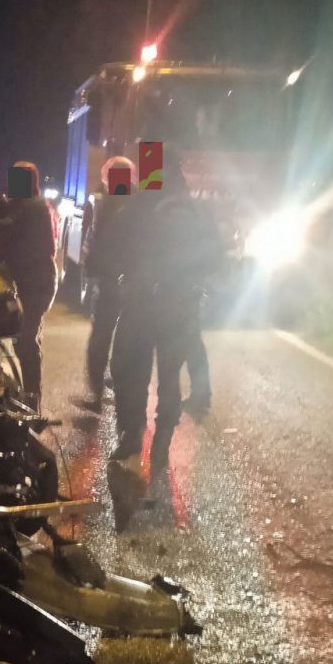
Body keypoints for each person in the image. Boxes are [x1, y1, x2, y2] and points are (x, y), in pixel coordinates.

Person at [109, 146, 224, 470]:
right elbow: (216, 257)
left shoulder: (140, 204)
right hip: (181, 305)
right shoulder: (194, 208)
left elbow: (115, 244)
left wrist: (124, 278)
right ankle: (161, 444)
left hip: (142, 304)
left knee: (130, 371)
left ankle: (132, 436)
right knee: (169, 377)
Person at [79, 155, 137, 412]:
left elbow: (98, 240)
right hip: (132, 280)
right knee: (126, 337)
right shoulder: (139, 202)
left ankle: (96, 395)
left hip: (110, 280)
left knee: (100, 336)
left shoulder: (106, 202)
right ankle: (123, 392)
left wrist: (90, 272)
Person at [5, 161, 57, 410]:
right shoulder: (22, 205)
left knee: (26, 340)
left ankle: (33, 401)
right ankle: (28, 395)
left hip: (37, 283)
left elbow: (7, 229)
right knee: (22, 340)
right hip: (30, 282)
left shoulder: (34, 207)